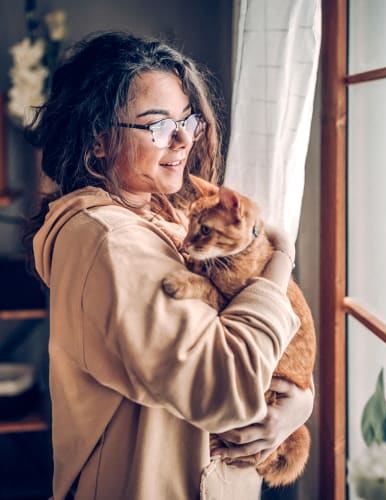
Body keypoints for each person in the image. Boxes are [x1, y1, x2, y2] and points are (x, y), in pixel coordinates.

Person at [24, 31, 314, 500]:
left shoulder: (168, 213)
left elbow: (260, 337)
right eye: (158, 125)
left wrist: (297, 401)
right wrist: (282, 259)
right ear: (98, 141)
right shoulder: (110, 239)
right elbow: (226, 388)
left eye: (188, 120)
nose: (182, 139)